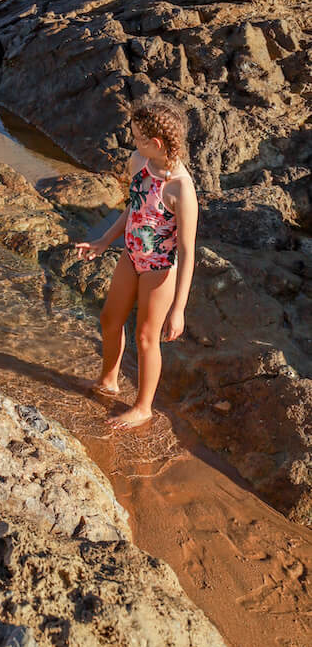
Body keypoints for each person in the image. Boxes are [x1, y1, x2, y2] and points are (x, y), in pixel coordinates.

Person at [75, 95, 198, 430]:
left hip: (160, 269)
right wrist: (104, 240)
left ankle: (143, 407)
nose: (133, 142)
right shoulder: (138, 162)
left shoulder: (181, 190)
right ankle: (109, 380)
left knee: (146, 337)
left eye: (138, 138)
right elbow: (134, 206)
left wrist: (179, 308)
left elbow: (187, 251)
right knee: (109, 318)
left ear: (156, 143)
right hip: (131, 256)